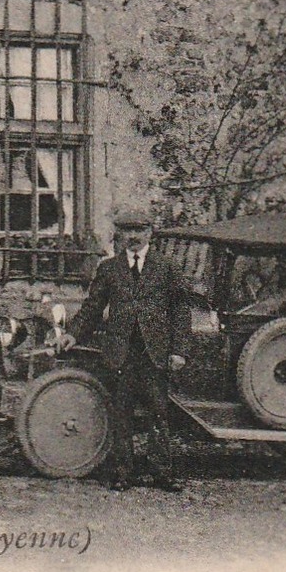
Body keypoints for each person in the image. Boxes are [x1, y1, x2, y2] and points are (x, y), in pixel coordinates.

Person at [58, 208, 190, 491]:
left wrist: (178, 350)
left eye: (139, 230)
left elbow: (180, 311)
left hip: (154, 353)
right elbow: (92, 309)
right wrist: (72, 334)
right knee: (121, 413)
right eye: (127, 230)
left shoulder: (167, 267)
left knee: (158, 412)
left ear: (149, 233)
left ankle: (163, 473)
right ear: (120, 234)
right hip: (120, 353)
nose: (133, 236)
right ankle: (122, 473)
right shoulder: (109, 268)